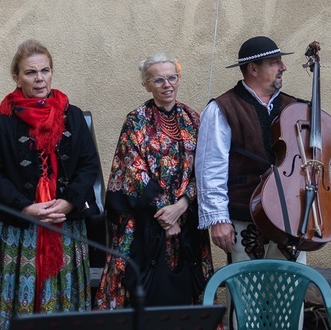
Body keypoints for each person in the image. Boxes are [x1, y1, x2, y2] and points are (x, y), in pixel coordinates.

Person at [0, 39, 101, 329]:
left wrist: (67, 202)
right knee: (17, 296)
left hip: (63, 220)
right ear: (16, 78)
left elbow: (88, 165)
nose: (40, 78)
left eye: (45, 70)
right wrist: (25, 207)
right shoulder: (1, 119)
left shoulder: (73, 115)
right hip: (15, 227)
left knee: (60, 293)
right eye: (31, 72)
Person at [95, 54, 214, 309]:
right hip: (144, 220)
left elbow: (203, 169)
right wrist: (165, 215)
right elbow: (132, 170)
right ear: (147, 85)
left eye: (172, 77)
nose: (167, 84)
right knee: (136, 288)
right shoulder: (135, 120)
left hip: (185, 220)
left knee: (187, 289)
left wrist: (181, 206)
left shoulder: (194, 119)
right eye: (158, 80)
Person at [195, 36, 306, 263]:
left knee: (291, 292)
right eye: (274, 62)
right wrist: (218, 218)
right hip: (244, 217)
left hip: (291, 218)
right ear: (253, 69)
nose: (283, 67)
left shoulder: (295, 107)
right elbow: (210, 168)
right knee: (246, 293)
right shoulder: (222, 108)